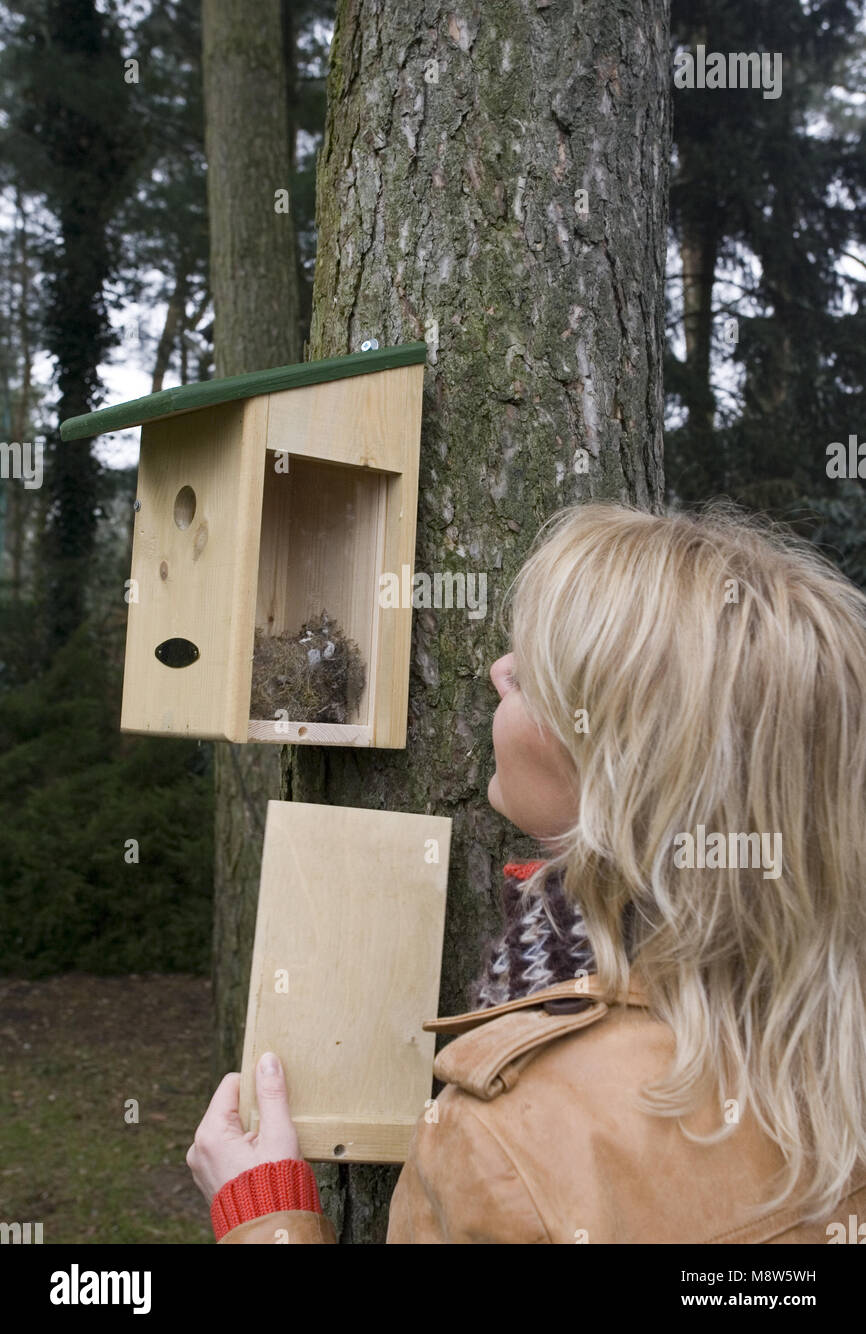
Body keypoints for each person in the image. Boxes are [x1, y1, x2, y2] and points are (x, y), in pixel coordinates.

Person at [187, 501, 866, 1244]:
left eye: (538, 675)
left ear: (617, 777)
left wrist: (264, 1216)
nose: (498, 668)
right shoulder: (825, 1037)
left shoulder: (507, 1146)